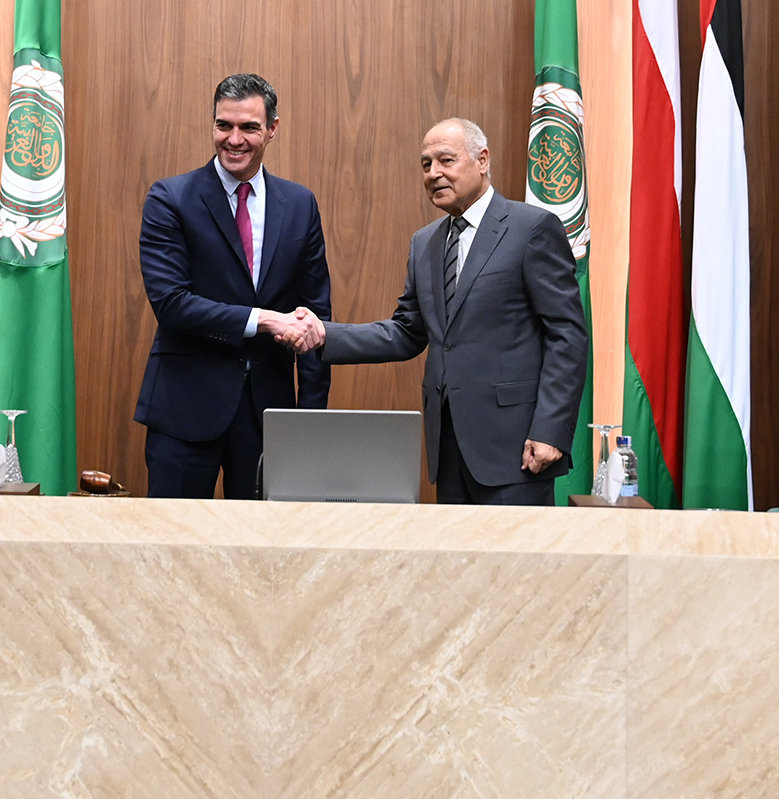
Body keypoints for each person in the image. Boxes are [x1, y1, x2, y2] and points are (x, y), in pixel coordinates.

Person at [280, 118, 586, 505]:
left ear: (482, 160)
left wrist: (551, 430)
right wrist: (325, 334)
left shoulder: (531, 229)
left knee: (513, 566)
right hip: (449, 449)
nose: (434, 173)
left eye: (445, 160)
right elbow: (407, 332)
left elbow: (567, 336)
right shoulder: (425, 243)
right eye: (426, 164)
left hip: (518, 448)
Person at [135, 74, 331, 498]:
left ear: (272, 129)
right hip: (184, 412)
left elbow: (315, 317)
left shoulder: (299, 205)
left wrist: (310, 421)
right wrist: (263, 320)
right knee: (176, 550)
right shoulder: (170, 198)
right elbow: (172, 304)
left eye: (249, 127)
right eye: (224, 125)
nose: (234, 139)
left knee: (263, 556)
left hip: (268, 418)